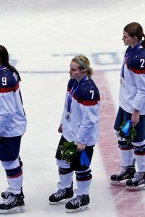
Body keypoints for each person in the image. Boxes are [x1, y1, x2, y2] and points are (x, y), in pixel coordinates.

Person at [49, 56, 100, 213]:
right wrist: (63, 123)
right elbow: (67, 105)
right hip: (69, 132)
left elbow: (90, 120)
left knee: (82, 167)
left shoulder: (89, 91)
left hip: (82, 139)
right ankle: (66, 189)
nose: (69, 71)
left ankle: (83, 196)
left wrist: (82, 140)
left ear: (83, 71)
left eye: (73, 69)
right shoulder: (72, 82)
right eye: (70, 67)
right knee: (62, 161)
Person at [111, 22, 145, 191]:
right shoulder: (131, 50)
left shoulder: (140, 58)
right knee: (122, 133)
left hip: (136, 107)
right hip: (127, 103)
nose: (122, 38)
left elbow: (144, 88)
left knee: (138, 140)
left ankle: (144, 173)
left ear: (135, 38)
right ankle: (128, 168)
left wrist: (136, 112)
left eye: (125, 36)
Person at [0, 45, 27, 214]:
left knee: (9, 161)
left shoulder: (2, 78)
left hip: (9, 128)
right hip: (10, 126)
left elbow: (8, 110)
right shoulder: (5, 73)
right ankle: (15, 189)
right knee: (11, 159)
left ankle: (17, 196)